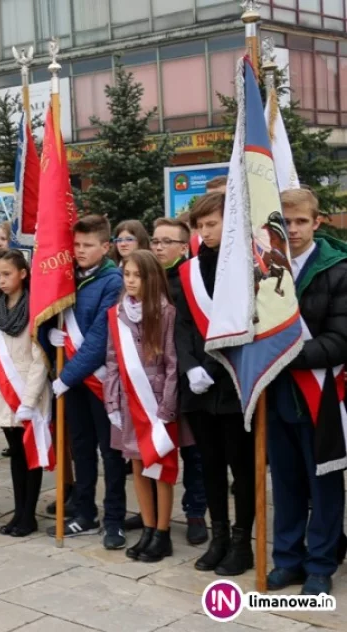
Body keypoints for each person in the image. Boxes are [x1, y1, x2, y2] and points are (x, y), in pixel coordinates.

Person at [265, 188, 347, 596]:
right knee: (286, 481)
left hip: (322, 397)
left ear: (317, 222)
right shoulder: (264, 266)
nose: (292, 229)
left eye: (301, 221)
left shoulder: (339, 268)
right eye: (285, 221)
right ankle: (288, 559)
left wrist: (284, 354)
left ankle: (320, 563)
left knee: (323, 484)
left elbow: (340, 339)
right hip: (276, 392)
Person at [174, 192, 252, 576]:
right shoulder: (189, 270)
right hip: (198, 387)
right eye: (200, 226)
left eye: (212, 224)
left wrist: (210, 367)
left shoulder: (243, 267)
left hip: (232, 382)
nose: (205, 232)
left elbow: (240, 326)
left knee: (241, 466)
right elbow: (184, 324)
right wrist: (190, 368)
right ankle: (218, 537)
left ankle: (242, 542)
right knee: (209, 465)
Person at [45, 214, 127, 549]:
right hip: (73, 381)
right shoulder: (65, 276)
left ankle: (114, 520)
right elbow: (47, 310)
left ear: (105, 247)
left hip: (100, 379)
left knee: (111, 453)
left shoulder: (113, 281)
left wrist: (65, 376)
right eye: (76, 245)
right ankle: (84, 512)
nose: (79, 251)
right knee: (80, 449)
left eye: (88, 245)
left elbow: (99, 338)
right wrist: (46, 333)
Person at [105, 251, 179, 562]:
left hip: (157, 400)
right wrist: (112, 400)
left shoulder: (166, 312)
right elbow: (111, 359)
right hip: (128, 398)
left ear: (151, 278)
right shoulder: (117, 313)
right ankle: (148, 528)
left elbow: (173, 362)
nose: (131, 281)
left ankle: (162, 533)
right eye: (127, 275)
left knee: (159, 466)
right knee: (136, 464)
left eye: (137, 275)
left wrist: (166, 407)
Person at [142, 218, 209, 547]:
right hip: (154, 380)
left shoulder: (191, 279)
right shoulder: (148, 279)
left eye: (166, 241)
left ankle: (196, 511)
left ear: (184, 247)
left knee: (194, 452)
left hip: (188, 377)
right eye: (155, 241)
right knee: (154, 447)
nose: (158, 247)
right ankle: (154, 513)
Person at [0, 250, 51, 537]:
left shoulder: (35, 307)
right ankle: (19, 512)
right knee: (16, 454)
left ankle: (28, 515)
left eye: (7, 274)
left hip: (28, 392)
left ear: (23, 273)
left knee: (28, 452)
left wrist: (29, 401)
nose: (2, 280)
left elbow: (39, 358)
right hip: (1, 392)